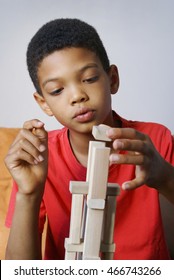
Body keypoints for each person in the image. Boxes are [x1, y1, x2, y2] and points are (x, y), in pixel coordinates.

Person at [4, 18, 174, 260]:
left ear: (112, 79)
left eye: (90, 78)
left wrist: (166, 177)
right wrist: (29, 193)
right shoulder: (39, 156)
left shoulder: (155, 140)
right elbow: (18, 272)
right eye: (57, 90)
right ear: (44, 103)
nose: (77, 95)